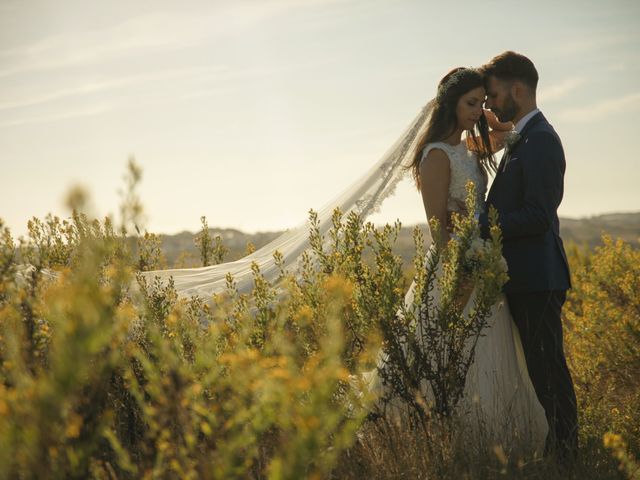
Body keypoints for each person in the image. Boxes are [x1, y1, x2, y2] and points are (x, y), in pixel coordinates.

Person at [366, 66, 548, 448]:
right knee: (450, 354)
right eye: (470, 103)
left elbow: (510, 134)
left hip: (481, 265)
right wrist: (467, 271)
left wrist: (490, 117)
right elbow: (439, 231)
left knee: (490, 357)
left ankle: (496, 442)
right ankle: (447, 440)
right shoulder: (435, 156)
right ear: (448, 103)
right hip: (455, 270)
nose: (475, 110)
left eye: (481, 102)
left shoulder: (468, 148)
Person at [479, 51, 578, 462]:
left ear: (517, 89)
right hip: (526, 278)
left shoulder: (540, 140)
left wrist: (485, 225)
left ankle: (567, 456)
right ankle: (561, 451)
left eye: (494, 95)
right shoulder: (520, 137)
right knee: (540, 371)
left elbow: (539, 215)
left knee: (548, 372)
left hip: (538, 278)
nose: (489, 105)